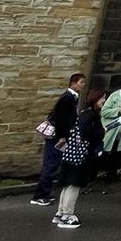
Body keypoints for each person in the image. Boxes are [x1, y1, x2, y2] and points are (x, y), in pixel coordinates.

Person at [53, 86, 106, 230]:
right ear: (95, 99)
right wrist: (101, 131)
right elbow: (85, 132)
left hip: (73, 153)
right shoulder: (88, 115)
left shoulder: (86, 113)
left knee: (68, 184)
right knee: (73, 184)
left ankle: (60, 212)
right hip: (80, 155)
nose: (103, 101)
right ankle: (67, 214)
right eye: (102, 98)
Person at [30, 72, 86, 206]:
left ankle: (45, 192)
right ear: (73, 83)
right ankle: (40, 195)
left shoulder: (72, 98)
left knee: (54, 163)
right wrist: (62, 136)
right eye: (81, 82)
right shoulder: (67, 98)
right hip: (57, 137)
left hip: (60, 137)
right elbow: (61, 119)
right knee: (51, 163)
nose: (83, 85)